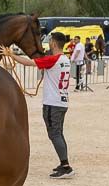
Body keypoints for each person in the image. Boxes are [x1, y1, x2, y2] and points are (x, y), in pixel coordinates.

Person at [6, 31, 74, 178]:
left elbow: (29, 63)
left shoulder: (53, 59)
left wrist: (11, 55)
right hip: (62, 102)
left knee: (55, 134)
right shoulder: (65, 59)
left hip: (52, 103)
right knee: (58, 133)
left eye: (50, 41)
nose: (49, 43)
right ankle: (64, 164)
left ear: (54, 43)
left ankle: (66, 166)